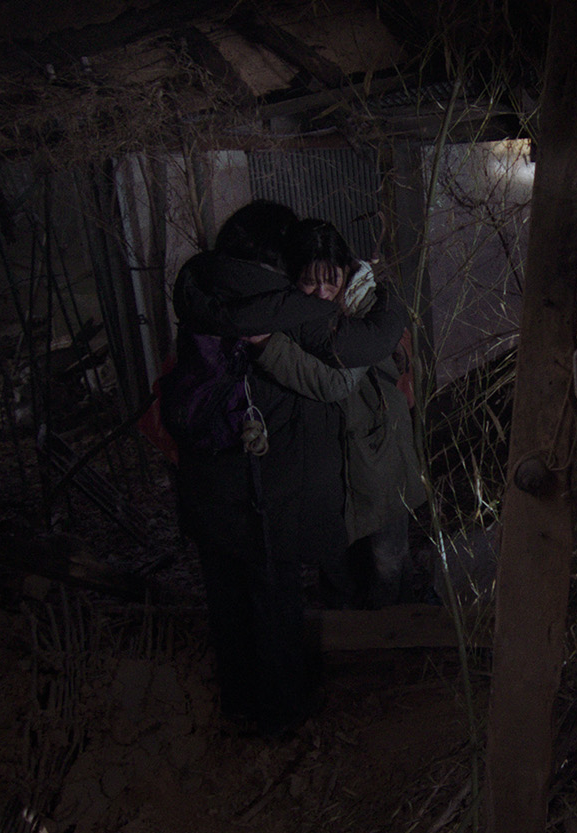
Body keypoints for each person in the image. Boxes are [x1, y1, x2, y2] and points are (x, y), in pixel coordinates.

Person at [159, 202, 407, 735]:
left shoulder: (203, 292)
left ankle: (238, 702)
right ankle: (283, 711)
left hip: (206, 485)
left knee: (226, 600)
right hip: (261, 490)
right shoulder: (281, 307)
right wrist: (385, 296)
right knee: (273, 598)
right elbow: (354, 356)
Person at [253, 219, 427, 609]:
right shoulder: (293, 313)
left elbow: (334, 381)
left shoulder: (366, 308)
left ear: (346, 272)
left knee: (387, 558)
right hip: (328, 455)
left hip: (380, 448)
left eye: (331, 280)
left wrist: (267, 347)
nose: (322, 292)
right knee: (337, 562)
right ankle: (348, 630)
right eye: (309, 282)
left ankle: (394, 626)